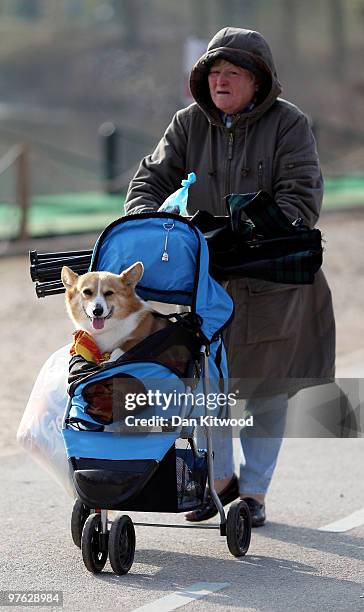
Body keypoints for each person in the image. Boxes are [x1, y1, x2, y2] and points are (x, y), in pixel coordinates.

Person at [124, 27, 335, 526]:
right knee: (206, 387)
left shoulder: (290, 124)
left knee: (265, 390)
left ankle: (255, 494)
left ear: (257, 82)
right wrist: (145, 220)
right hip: (204, 279)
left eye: (232, 73)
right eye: (214, 72)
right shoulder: (187, 123)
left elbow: (301, 198)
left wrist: (247, 232)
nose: (220, 81)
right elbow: (150, 179)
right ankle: (219, 483)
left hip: (272, 283)